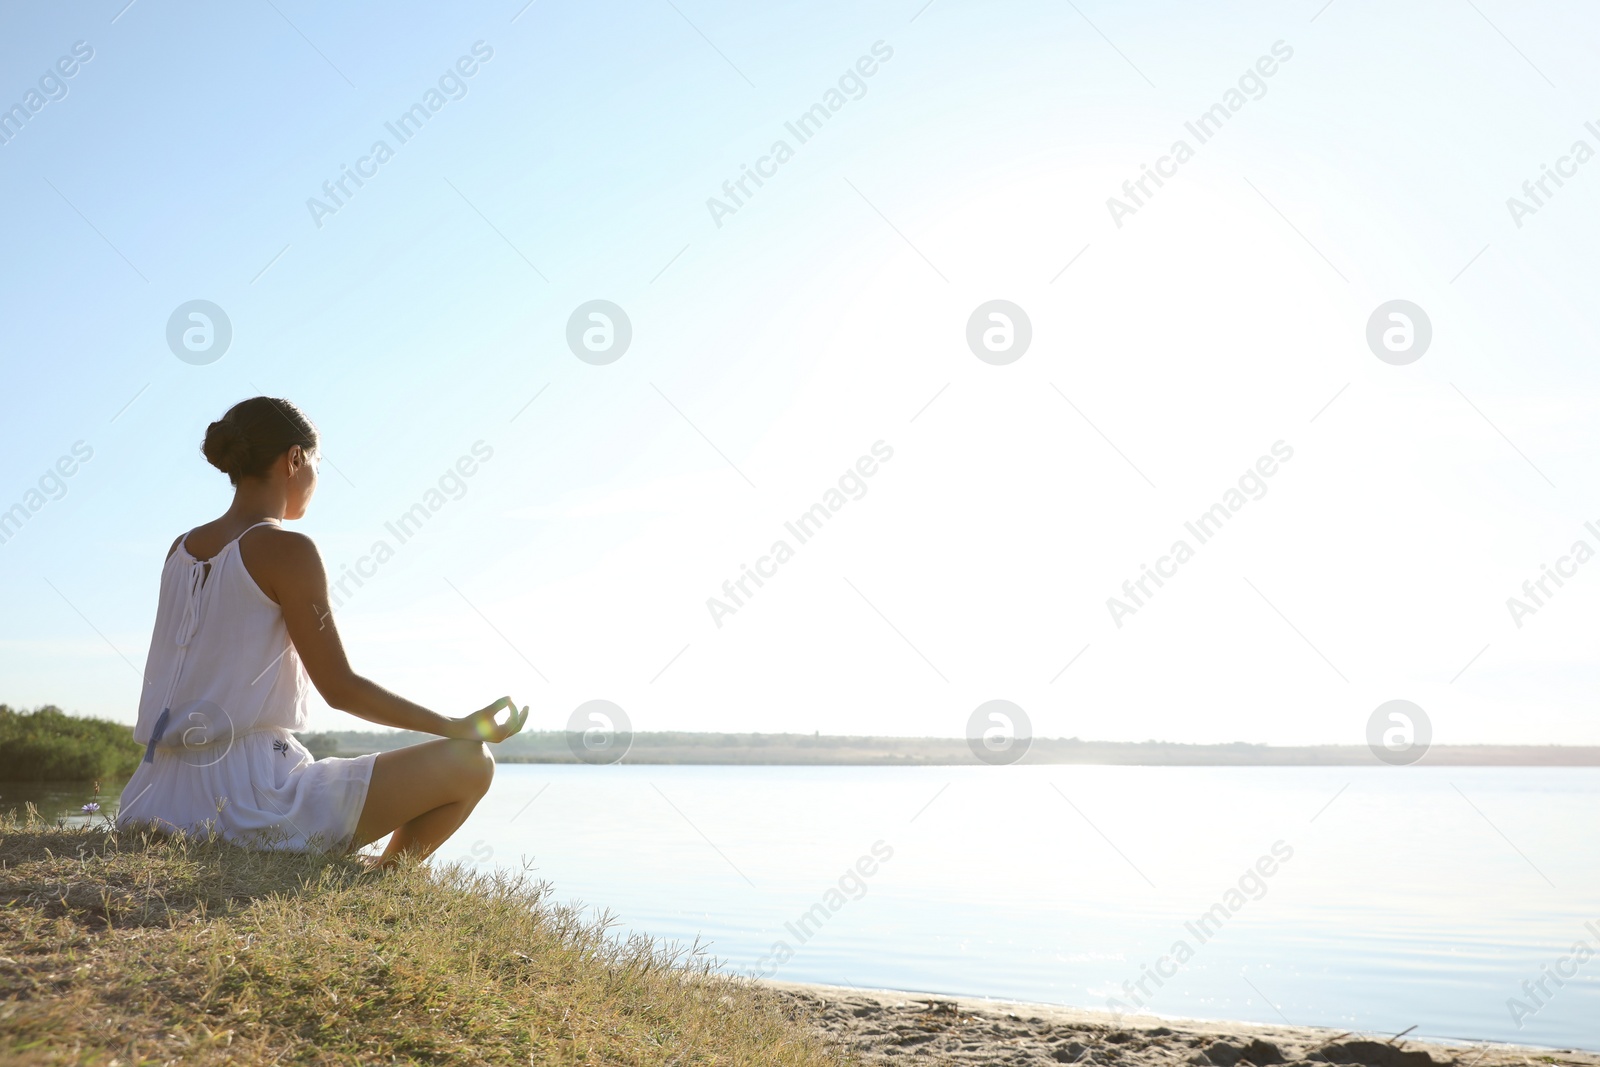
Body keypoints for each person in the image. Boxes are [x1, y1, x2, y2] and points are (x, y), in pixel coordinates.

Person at [116, 396, 527, 865]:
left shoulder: (180, 548)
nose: (315, 480)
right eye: (315, 464)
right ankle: (386, 873)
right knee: (471, 763)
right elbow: (341, 688)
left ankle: (378, 870)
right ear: (294, 459)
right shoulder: (286, 548)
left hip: (151, 799)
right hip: (248, 801)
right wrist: (456, 726)